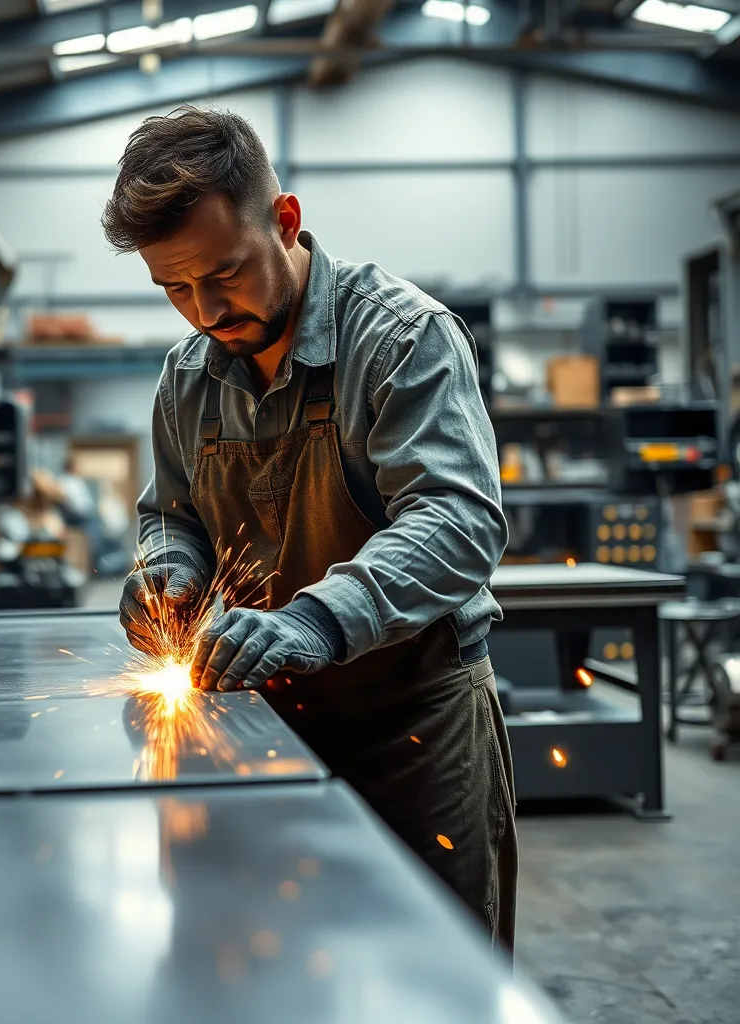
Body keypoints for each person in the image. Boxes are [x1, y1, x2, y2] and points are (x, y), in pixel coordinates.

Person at [106, 105, 517, 951]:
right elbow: (169, 515)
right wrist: (167, 571)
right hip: (259, 724)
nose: (205, 311)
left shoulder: (404, 338)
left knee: (432, 977)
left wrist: (313, 620)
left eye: (225, 273)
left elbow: (458, 519)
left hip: (411, 724)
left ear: (285, 221)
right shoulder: (187, 379)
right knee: (256, 966)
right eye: (174, 289)